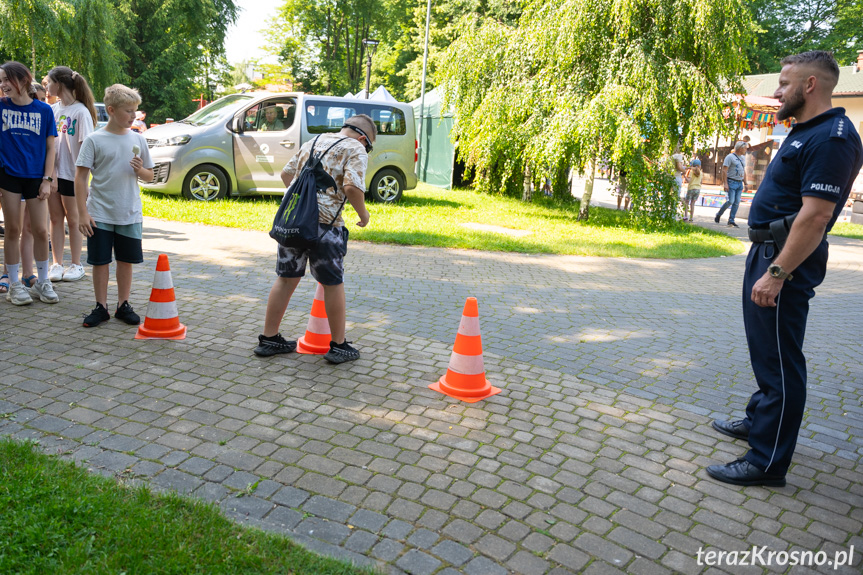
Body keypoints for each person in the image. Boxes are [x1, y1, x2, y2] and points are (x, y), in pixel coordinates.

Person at [707, 51, 863, 487]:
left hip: (785, 260)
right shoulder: (806, 130)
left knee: (780, 359)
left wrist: (776, 274)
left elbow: (814, 217)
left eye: (783, 83)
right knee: (766, 349)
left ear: (810, 86)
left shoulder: (832, 138)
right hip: (770, 251)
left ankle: (766, 460)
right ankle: (758, 421)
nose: (776, 92)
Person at [254, 114, 374, 363]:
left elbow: (286, 176)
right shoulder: (356, 148)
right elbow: (352, 187)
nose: (367, 150)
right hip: (325, 227)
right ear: (363, 138)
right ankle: (339, 346)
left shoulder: (312, 141)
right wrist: (364, 214)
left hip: (294, 222)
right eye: (369, 146)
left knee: (286, 279)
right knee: (332, 283)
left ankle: (269, 339)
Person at [75, 84, 154, 327]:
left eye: (135, 111)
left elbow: (150, 175)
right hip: (99, 212)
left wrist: (139, 169)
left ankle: (123, 304)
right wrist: (82, 213)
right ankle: (101, 306)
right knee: (99, 261)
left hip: (129, 212)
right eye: (128, 111)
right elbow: (80, 177)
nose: (134, 116)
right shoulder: (94, 140)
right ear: (111, 110)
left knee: (126, 260)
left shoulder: (138, 139)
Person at [0, 61, 59, 306]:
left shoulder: (44, 110)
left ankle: (43, 282)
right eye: (1, 81)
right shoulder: (1, 108)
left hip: (36, 177)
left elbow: (50, 147)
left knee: (40, 231)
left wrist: (47, 180)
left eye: (6, 80)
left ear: (23, 80)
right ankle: (14, 284)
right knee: (12, 230)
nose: (2, 85)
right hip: (9, 176)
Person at [45, 66, 98, 284]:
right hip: (54, 175)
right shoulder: (52, 110)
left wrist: (82, 181)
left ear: (59, 84)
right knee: (56, 219)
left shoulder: (80, 112)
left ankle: (77, 264)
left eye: (49, 82)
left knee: (74, 220)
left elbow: (86, 149)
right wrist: (50, 175)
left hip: (73, 176)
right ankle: (57, 263)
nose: (47, 86)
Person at [714, 141, 748, 227]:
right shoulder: (729, 157)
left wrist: (746, 183)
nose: (746, 150)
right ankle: (719, 214)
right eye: (745, 148)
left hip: (739, 182)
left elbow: (743, 170)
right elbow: (724, 170)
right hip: (731, 181)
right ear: (740, 148)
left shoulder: (743, 158)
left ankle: (731, 220)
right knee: (730, 201)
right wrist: (725, 183)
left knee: (737, 202)